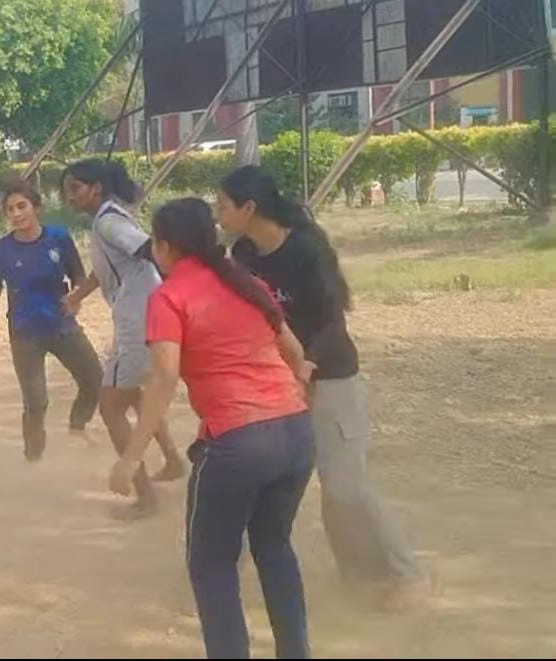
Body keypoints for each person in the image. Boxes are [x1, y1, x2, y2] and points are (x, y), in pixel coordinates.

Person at [110, 197, 314, 659]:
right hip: (295, 432)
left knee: (212, 567)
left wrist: (131, 456)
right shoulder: (248, 283)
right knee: (274, 548)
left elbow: (163, 379)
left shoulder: (169, 297)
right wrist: (290, 393)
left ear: (164, 247)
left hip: (239, 443)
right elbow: (295, 352)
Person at [219, 165, 426, 603]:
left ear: (249, 207)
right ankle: (223, 572)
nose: (218, 213)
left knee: (343, 486)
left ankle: (404, 576)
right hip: (279, 382)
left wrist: (307, 366)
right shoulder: (244, 254)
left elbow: (333, 318)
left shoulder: (305, 249)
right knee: (254, 478)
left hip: (330, 375)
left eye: (223, 205)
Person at [61, 159, 187, 519]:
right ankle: (173, 461)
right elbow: (106, 269)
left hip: (138, 321)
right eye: (67, 190)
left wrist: (182, 284)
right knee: (135, 395)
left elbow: (149, 250)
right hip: (145, 316)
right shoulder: (110, 217)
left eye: (75, 188)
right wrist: (77, 296)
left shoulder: (108, 222)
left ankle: (145, 498)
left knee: (111, 406)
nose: (70, 196)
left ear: (96, 188)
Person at [0, 179, 104, 461]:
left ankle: (78, 424)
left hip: (62, 325)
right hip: (25, 333)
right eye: (10, 209)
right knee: (36, 403)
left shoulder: (58, 238)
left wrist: (76, 298)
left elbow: (78, 274)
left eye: (22, 206)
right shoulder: (0, 251)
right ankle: (34, 457)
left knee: (94, 378)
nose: (16, 214)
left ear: (36, 207)